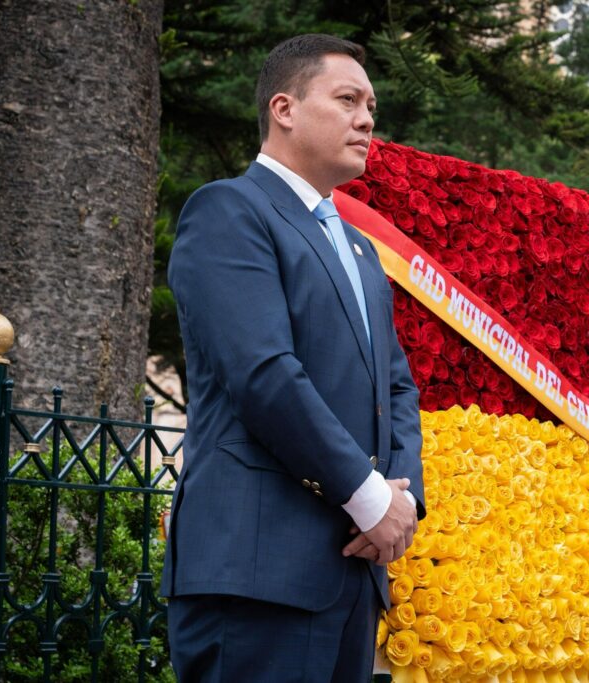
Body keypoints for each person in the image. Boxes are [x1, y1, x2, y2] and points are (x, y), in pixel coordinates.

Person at [162, 34, 425, 682]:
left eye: (371, 105)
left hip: (350, 577)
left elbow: (396, 387)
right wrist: (369, 498)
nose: (367, 119)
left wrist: (404, 499)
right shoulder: (228, 211)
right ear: (284, 107)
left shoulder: (360, 251)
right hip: (257, 579)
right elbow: (264, 375)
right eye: (347, 99)